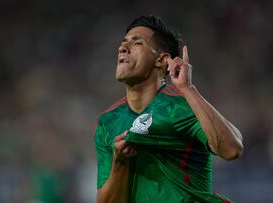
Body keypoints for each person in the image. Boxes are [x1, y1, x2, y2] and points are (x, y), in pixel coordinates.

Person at [94, 15, 243, 203]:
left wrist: (188, 88)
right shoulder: (108, 123)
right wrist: (119, 162)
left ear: (162, 59)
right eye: (124, 43)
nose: (122, 48)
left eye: (137, 43)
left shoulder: (179, 107)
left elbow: (232, 149)